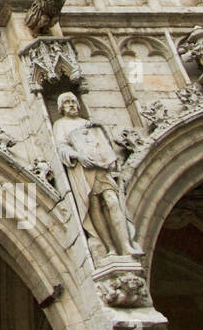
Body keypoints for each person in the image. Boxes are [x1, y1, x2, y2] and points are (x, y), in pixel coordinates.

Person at [53, 92, 140, 259]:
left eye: (73, 101)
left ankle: (125, 245)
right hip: (82, 170)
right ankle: (109, 248)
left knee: (113, 201)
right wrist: (78, 156)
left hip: (102, 168)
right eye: (66, 103)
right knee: (93, 206)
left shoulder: (88, 124)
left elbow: (104, 144)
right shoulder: (60, 125)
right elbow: (61, 146)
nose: (71, 105)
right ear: (61, 108)